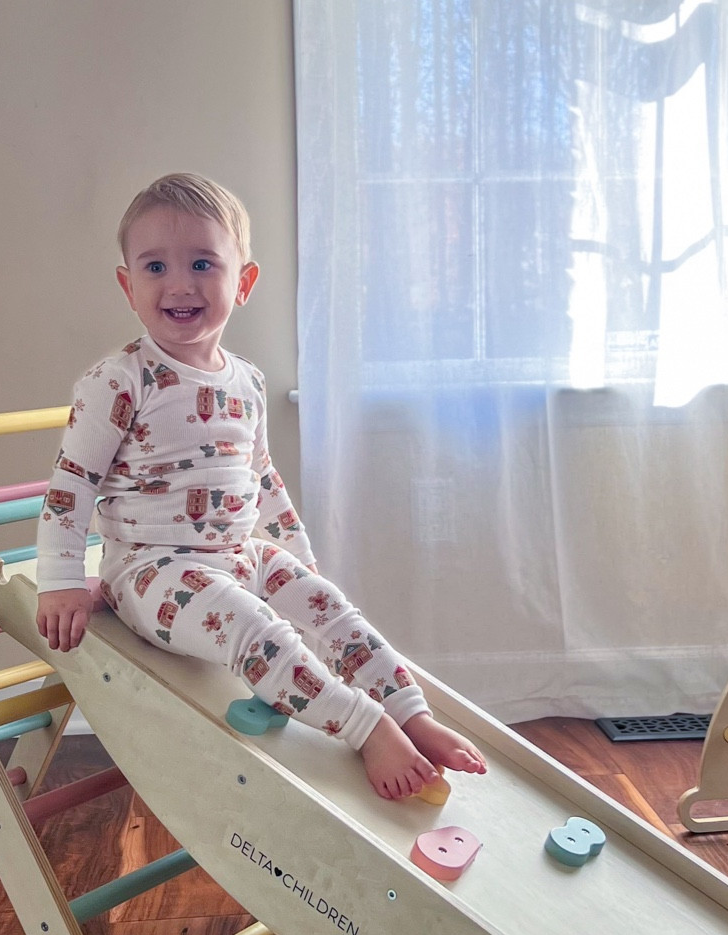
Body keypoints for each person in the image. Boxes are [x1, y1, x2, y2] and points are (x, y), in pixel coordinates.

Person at [34, 172, 487, 802]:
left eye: (202, 263)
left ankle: (409, 711)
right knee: (257, 630)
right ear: (128, 285)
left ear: (243, 283)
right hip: (151, 570)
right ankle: (367, 727)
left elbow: (261, 476)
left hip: (241, 553)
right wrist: (60, 579)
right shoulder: (119, 380)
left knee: (333, 610)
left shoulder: (246, 381)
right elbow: (71, 484)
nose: (180, 284)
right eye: (156, 267)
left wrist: (297, 560)